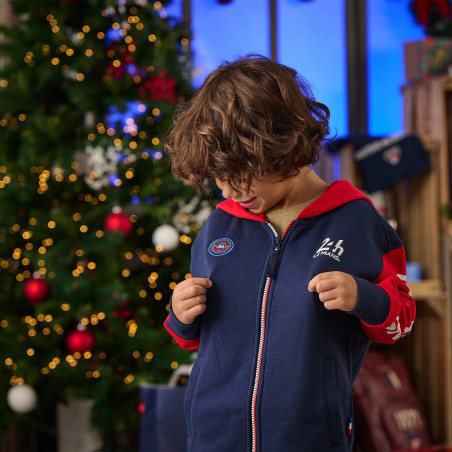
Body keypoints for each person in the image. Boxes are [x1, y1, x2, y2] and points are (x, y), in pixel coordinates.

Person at [163, 54, 416, 452]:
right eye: (218, 179)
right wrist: (180, 315)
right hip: (213, 436)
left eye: (237, 175)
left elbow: (400, 321)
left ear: (286, 149)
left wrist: (363, 296)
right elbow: (194, 339)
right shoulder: (219, 227)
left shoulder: (357, 221)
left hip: (310, 437)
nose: (226, 191)